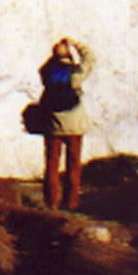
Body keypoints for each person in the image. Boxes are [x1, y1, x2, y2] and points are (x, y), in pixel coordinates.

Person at [38, 38, 92, 211]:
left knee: (52, 164)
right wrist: (76, 44)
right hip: (75, 126)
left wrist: (56, 52)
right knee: (74, 164)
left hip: (53, 126)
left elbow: (43, 68)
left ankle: (52, 201)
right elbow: (90, 58)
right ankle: (71, 202)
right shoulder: (75, 74)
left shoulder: (47, 73)